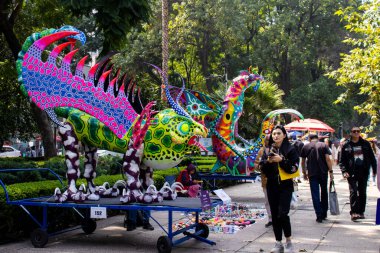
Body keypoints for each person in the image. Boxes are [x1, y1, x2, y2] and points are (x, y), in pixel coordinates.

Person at [260, 125, 299, 253]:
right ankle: (278, 243)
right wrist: (268, 162)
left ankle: (288, 242)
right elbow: (262, 168)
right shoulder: (267, 150)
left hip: (286, 186)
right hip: (271, 185)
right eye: (274, 134)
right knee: (275, 215)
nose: (275, 136)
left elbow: (294, 168)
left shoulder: (291, 149)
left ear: (284, 135)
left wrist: (281, 160)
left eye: (278, 133)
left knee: (283, 213)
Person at [339, 126, 377, 221]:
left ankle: (361, 212)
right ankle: (354, 212)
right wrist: (344, 171)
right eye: (354, 131)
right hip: (351, 172)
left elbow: (372, 158)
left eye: (358, 131)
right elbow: (342, 160)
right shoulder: (346, 145)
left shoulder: (366, 144)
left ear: (360, 132)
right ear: (351, 133)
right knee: (353, 191)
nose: (356, 133)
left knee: (362, 192)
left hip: (363, 172)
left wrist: (374, 170)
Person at [300, 134, 333, 223]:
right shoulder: (323, 145)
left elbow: (302, 162)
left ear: (309, 139)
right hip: (323, 172)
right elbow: (327, 159)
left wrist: (304, 173)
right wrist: (331, 171)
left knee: (315, 194)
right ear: (317, 138)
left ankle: (318, 215)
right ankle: (324, 213)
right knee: (324, 192)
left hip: (312, 173)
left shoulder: (306, 147)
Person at [255, 135, 272, 228]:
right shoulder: (261, 151)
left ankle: (277, 217)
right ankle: (270, 219)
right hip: (265, 179)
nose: (268, 141)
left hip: (277, 179)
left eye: (270, 140)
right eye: (267, 140)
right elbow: (256, 164)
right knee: (267, 200)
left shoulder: (277, 149)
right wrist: (260, 166)